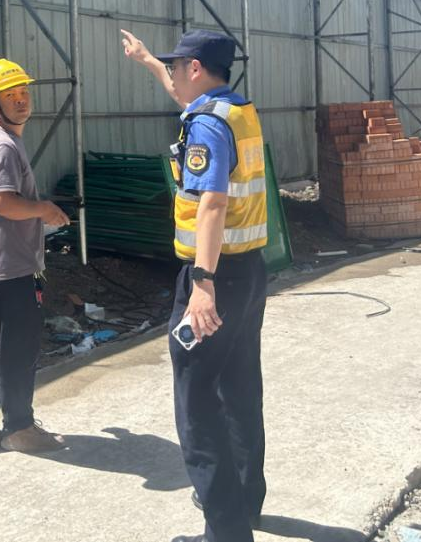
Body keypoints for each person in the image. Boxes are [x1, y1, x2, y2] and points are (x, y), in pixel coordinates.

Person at [121, 28, 269, 542]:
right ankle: (245, 501)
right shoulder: (236, 111)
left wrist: (202, 284)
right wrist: (147, 60)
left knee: (196, 402)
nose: (174, 75)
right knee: (241, 387)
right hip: (249, 271)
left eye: (177, 67)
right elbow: (180, 92)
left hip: (214, 276)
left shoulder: (206, 124)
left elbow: (212, 203)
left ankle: (225, 531)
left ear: (197, 69)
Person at [0, 58, 71, 452]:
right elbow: (4, 203)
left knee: (6, 344)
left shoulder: (5, 141)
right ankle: (19, 427)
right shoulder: (3, 147)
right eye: (10, 95)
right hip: (11, 265)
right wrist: (44, 209)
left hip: (10, 263)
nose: (21, 100)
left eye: (24, 93)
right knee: (19, 348)